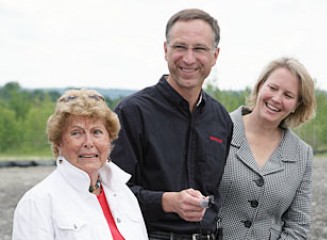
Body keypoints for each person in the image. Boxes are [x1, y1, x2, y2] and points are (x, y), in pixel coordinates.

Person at [110, 8, 233, 240]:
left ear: (215, 56)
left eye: (199, 48)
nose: (188, 58)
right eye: (180, 47)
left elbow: (217, 194)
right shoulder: (132, 112)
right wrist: (167, 202)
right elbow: (112, 194)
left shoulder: (221, 119)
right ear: (166, 50)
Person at [12, 89, 148, 240]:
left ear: (110, 139)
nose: (88, 143)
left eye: (97, 132)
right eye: (76, 133)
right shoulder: (37, 202)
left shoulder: (124, 195)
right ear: (58, 142)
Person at [218, 57, 316, 239]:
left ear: (297, 105)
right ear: (260, 86)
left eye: (288, 95)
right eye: (272, 88)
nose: (277, 99)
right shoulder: (217, 130)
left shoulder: (302, 154)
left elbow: (298, 225)